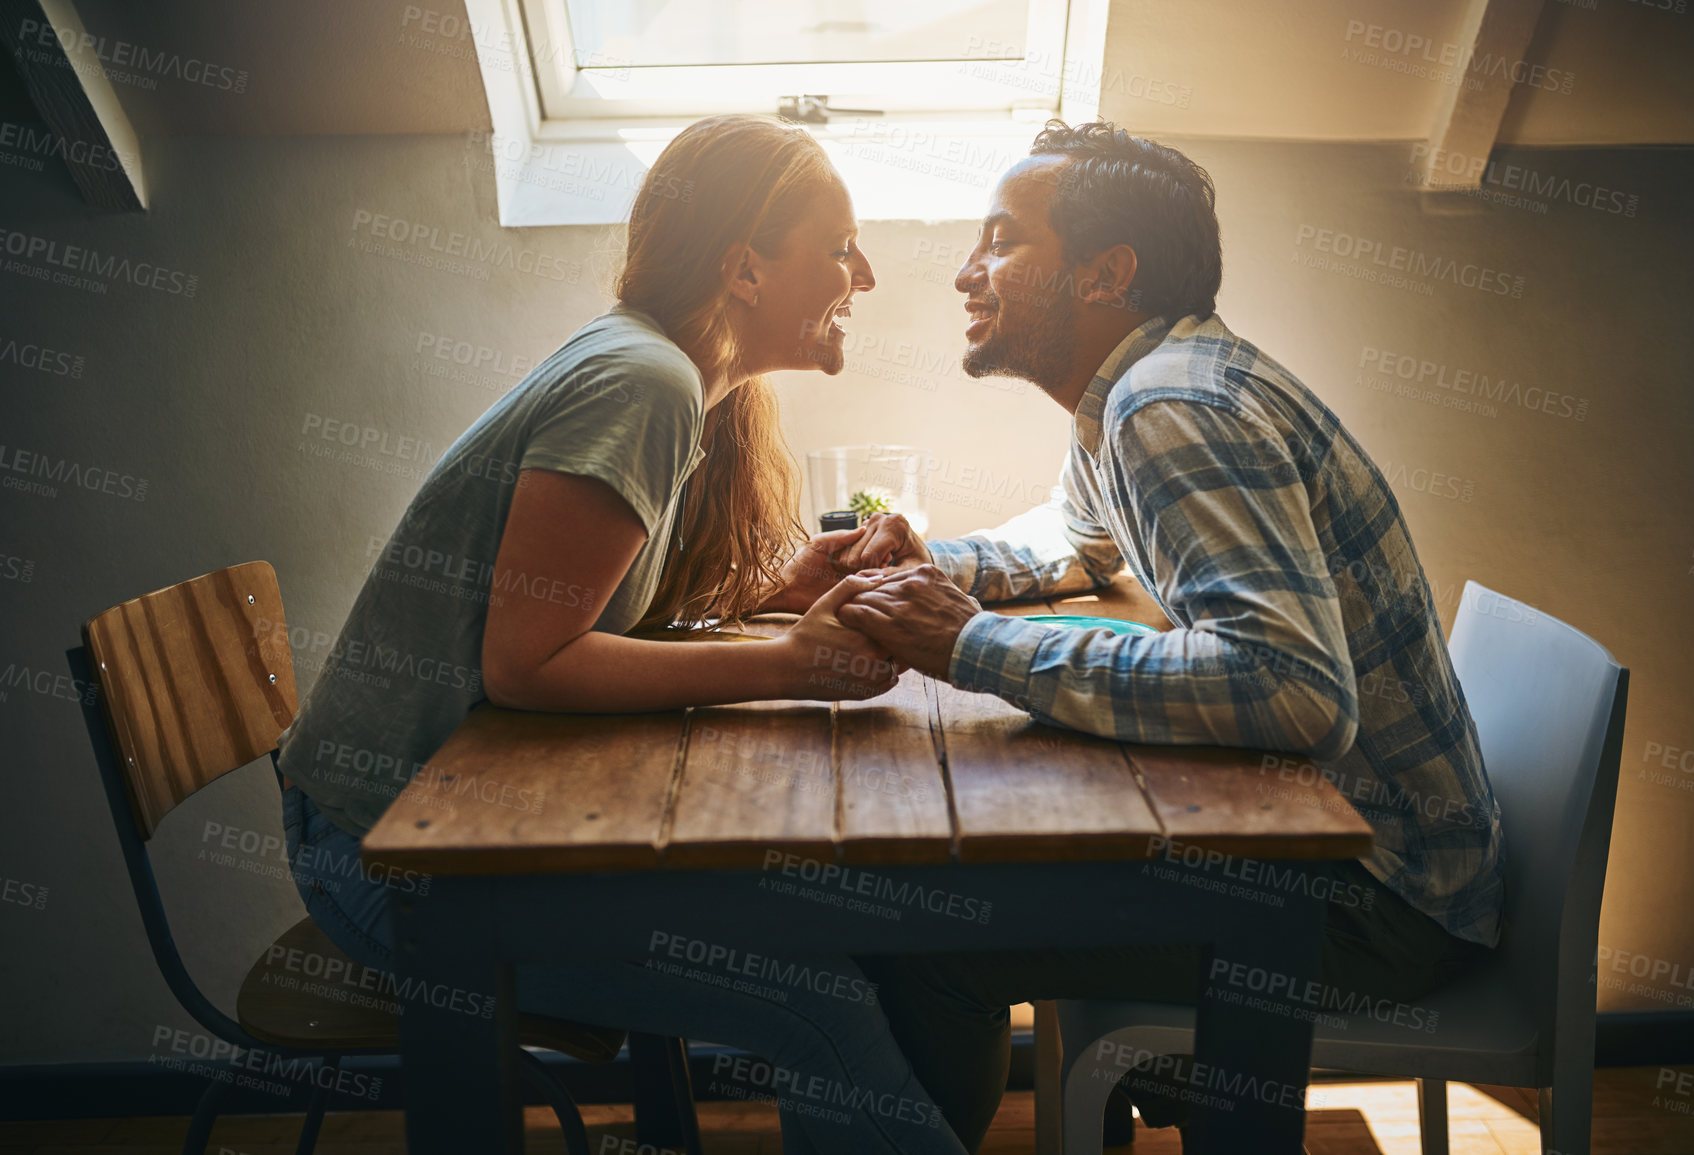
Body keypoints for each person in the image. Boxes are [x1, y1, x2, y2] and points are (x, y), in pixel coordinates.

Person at [274, 113, 960, 1154]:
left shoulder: (673, 375)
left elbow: (589, 610)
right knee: (819, 1002)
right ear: (744, 270)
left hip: (453, 835)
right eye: (838, 245)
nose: (862, 273)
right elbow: (529, 664)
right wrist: (791, 665)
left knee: (847, 949)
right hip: (390, 869)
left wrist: (775, 594)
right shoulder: (645, 383)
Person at [830, 120, 1506, 1152]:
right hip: (1396, 871)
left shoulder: (1174, 404)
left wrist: (970, 645)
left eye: (1003, 239)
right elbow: (1082, 541)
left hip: (1379, 907)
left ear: (1107, 273)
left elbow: (1291, 689)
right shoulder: (1136, 393)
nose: (968, 272)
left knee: (923, 939)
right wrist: (930, 567)